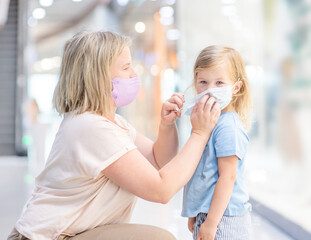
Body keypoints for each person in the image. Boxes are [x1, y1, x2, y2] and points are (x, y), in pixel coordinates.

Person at [8, 31, 221, 240]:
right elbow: (161, 190)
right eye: (126, 68)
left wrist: (166, 126)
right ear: (99, 77)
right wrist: (200, 133)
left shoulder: (112, 122)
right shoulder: (90, 127)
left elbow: (158, 161)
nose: (134, 75)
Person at [181, 45, 252, 240]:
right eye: (203, 82)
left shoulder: (228, 127)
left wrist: (211, 223)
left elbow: (227, 178)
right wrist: (196, 211)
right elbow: (203, 171)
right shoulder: (207, 122)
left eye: (219, 82)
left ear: (235, 88)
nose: (210, 90)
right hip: (210, 213)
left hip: (224, 219)